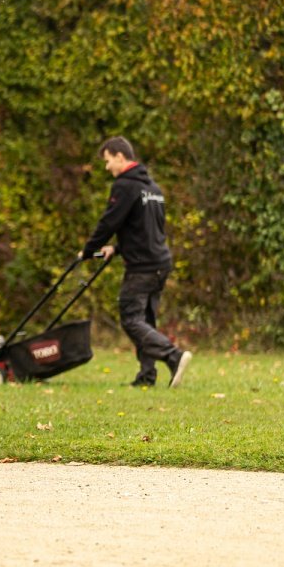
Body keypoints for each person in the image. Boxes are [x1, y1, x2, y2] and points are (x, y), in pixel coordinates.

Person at [80, 136, 192, 387]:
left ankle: (173, 356)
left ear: (120, 157)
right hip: (160, 262)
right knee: (146, 321)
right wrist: (116, 248)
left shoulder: (125, 186)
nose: (107, 167)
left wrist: (88, 250)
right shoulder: (153, 188)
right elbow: (146, 229)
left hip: (142, 267)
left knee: (131, 318)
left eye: (108, 161)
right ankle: (147, 376)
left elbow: (110, 222)